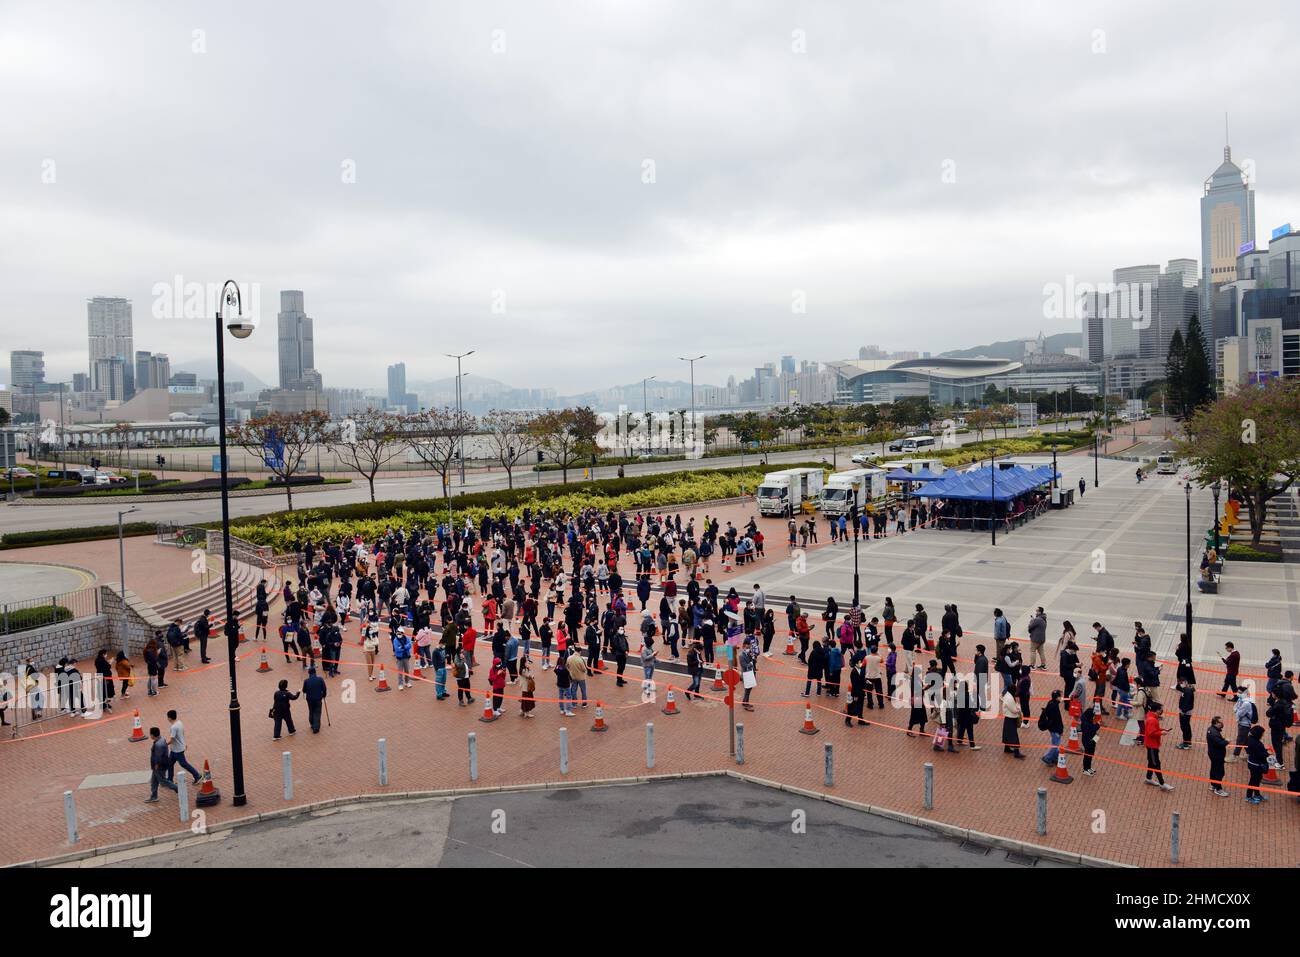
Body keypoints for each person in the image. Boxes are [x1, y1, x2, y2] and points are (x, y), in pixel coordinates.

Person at [166, 710, 202, 785]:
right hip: (176, 749)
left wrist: (165, 744)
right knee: (170, 764)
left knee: (183, 764)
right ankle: (169, 780)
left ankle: (197, 775)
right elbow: (182, 734)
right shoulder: (179, 723)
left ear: (169, 718)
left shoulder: (173, 727)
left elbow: (172, 740)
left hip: (177, 750)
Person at [1143, 702, 1174, 790]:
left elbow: (1153, 729)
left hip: (1152, 744)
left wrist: (1162, 730)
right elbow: (1151, 733)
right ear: (1156, 710)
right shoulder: (1152, 720)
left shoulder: (1151, 717)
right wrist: (1161, 733)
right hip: (1152, 745)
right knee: (1156, 764)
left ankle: (1148, 778)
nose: (1162, 711)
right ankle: (1162, 783)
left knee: (1151, 762)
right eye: (1160, 709)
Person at [144, 727, 178, 804]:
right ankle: (154, 796)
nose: (150, 736)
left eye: (150, 734)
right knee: (154, 781)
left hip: (159, 766)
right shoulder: (162, 739)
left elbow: (158, 756)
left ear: (152, 735)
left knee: (163, 781)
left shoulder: (158, 744)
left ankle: (178, 788)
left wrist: (156, 765)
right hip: (162, 765)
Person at [1038, 690, 1065, 766]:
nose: (1061, 697)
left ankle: (1054, 758)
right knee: (1055, 745)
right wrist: (1060, 730)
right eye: (1060, 696)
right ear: (1057, 698)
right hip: (1055, 729)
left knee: (1056, 744)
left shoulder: (1051, 703)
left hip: (1052, 728)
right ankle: (1047, 758)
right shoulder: (1054, 707)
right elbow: (1057, 720)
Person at [1245, 725, 1270, 804]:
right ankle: (1248, 796)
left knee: (1257, 779)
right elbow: (1260, 754)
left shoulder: (1250, 739)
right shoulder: (1255, 743)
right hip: (1256, 765)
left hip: (1253, 763)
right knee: (1253, 780)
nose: (1262, 735)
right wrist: (1267, 753)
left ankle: (1257, 794)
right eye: (1262, 734)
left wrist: (1264, 750)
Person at [1206, 715, 1229, 797]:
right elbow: (1220, 744)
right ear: (1216, 723)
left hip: (1213, 753)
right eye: (1221, 722)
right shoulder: (1214, 733)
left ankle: (1213, 784)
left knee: (1213, 769)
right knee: (1220, 772)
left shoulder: (1211, 729)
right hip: (1217, 755)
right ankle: (1218, 788)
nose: (1222, 724)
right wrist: (1227, 741)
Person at [1001, 684, 1024, 758]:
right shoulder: (1010, 699)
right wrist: (1018, 706)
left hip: (1008, 718)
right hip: (1011, 718)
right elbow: (1014, 710)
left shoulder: (1008, 695)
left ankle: (1007, 748)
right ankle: (1016, 752)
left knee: (1007, 734)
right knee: (1014, 735)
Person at [303, 667, 327, 732]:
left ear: (309, 673)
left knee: (311, 711)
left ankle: (312, 723)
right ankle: (316, 728)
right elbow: (324, 688)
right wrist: (324, 695)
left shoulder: (306, 681)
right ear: (315, 672)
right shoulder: (320, 679)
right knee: (317, 712)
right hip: (318, 698)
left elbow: (304, 690)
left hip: (309, 699)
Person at [1175, 678, 1195, 749]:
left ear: (1185, 682)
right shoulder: (1185, 689)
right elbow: (1177, 687)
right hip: (1184, 711)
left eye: (1181, 683)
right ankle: (1187, 741)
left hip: (1185, 712)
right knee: (1184, 726)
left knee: (1185, 727)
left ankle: (1186, 743)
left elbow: (1187, 702)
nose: (1180, 684)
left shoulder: (1188, 691)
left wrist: (1183, 711)